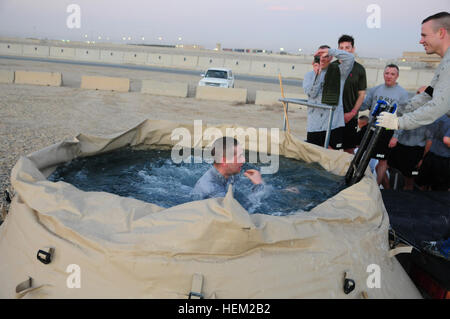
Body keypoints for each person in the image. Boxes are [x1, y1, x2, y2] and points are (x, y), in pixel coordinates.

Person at [377, 12, 450, 130]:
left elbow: (438, 105)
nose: (421, 41)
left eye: (424, 35)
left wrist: (398, 122)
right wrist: (397, 110)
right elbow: (428, 95)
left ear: (441, 33)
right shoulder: (445, 62)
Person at [360, 64, 409, 189]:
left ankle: (376, 188)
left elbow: (403, 116)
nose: (389, 76)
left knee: (382, 161)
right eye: (387, 73)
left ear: (397, 76)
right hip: (372, 127)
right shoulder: (375, 89)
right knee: (365, 156)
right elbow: (364, 105)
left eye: (392, 74)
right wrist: (351, 106)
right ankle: (362, 184)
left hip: (388, 131)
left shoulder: (402, 93)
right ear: (383, 74)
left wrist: (396, 136)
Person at [303, 45, 355, 150]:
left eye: (326, 56)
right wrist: (318, 75)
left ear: (331, 57)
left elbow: (350, 58)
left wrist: (330, 51)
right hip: (315, 124)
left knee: (332, 156)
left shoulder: (340, 72)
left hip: (333, 123)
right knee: (314, 155)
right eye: (320, 56)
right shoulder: (309, 75)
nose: (322, 58)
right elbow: (312, 94)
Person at [191, 137, 265, 200]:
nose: (244, 160)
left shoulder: (228, 174)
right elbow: (237, 212)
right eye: (239, 156)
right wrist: (259, 185)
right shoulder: (212, 188)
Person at [387, 88, 430, 190]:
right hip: (401, 146)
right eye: (418, 93)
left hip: (415, 150)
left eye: (423, 94)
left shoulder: (430, 114)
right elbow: (399, 121)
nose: (419, 95)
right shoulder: (408, 106)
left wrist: (423, 158)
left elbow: (430, 139)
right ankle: (386, 191)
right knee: (386, 166)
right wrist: (395, 137)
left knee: (410, 180)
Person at [332, 35, 367, 154]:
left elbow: (361, 94)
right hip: (333, 116)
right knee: (331, 149)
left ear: (353, 49)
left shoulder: (359, 69)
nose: (344, 50)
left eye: (347, 47)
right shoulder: (332, 67)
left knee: (349, 149)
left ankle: (347, 173)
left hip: (350, 117)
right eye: (341, 47)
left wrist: (352, 113)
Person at [416, 115, 450, 191]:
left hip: (430, 156)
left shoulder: (439, 116)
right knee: (441, 191)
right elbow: (447, 140)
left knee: (423, 186)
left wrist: (423, 158)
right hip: (444, 161)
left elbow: (429, 139)